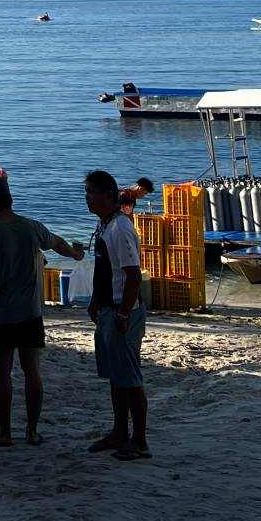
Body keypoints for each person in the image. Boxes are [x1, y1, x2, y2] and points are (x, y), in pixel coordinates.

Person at [0, 173, 84, 447]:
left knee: (2, 373)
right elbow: (58, 244)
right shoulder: (32, 227)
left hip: (1, 315)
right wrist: (76, 254)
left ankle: (5, 432)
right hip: (31, 313)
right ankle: (32, 431)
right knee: (32, 371)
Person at [84, 168, 149, 462]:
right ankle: (119, 431)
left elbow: (132, 275)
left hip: (124, 312)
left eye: (92, 193)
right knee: (116, 376)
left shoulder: (120, 228)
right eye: (86, 193)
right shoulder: (105, 225)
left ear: (109, 195)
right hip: (108, 308)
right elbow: (105, 269)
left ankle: (140, 440)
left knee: (130, 378)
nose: (88, 198)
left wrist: (123, 314)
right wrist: (96, 300)